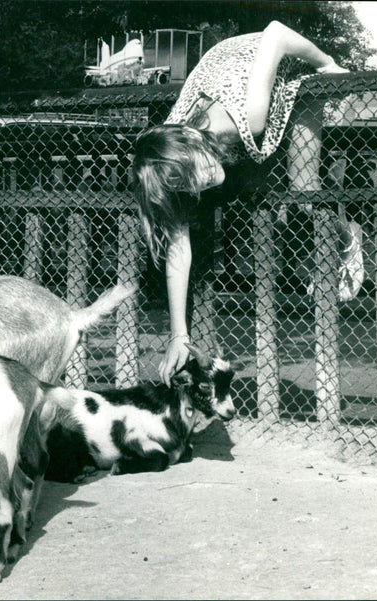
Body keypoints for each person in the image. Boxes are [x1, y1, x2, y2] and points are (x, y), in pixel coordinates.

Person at [132, 21, 365, 385]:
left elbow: (277, 32)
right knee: (260, 194)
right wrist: (178, 334)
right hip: (226, 81)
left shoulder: (251, 114)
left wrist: (328, 66)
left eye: (195, 172)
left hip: (279, 66)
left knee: (303, 190)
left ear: (194, 144)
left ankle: (348, 237)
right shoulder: (166, 154)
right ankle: (310, 248)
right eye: (188, 184)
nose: (199, 184)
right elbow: (178, 247)